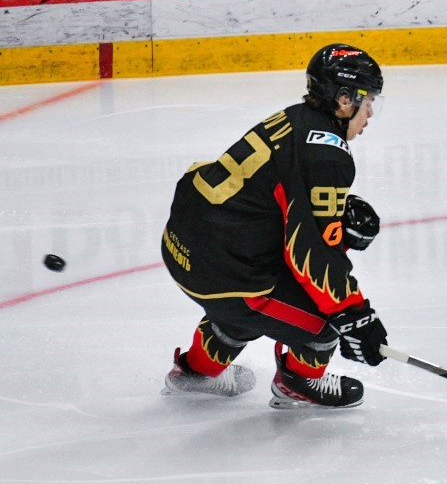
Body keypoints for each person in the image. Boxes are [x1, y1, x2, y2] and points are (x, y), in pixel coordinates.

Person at [160, 44, 390, 407]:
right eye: (368, 101)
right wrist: (355, 316)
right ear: (344, 100)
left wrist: (336, 219)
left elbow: (274, 200)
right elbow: (311, 255)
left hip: (185, 248)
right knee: (324, 319)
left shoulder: (296, 117)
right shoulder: (328, 155)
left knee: (249, 301)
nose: (371, 113)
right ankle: (298, 383)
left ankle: (195, 372)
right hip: (224, 271)